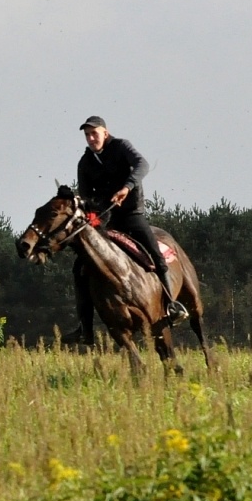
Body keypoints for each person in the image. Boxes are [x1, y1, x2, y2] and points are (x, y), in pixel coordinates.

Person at [74, 115, 189, 339]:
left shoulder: (121, 147)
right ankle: (84, 327)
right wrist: (92, 219)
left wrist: (126, 187)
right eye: (87, 135)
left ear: (105, 132)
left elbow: (142, 165)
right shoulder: (85, 162)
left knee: (155, 253)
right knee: (80, 267)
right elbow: (86, 197)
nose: (91, 138)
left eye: (94, 133)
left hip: (131, 214)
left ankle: (171, 307)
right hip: (106, 221)